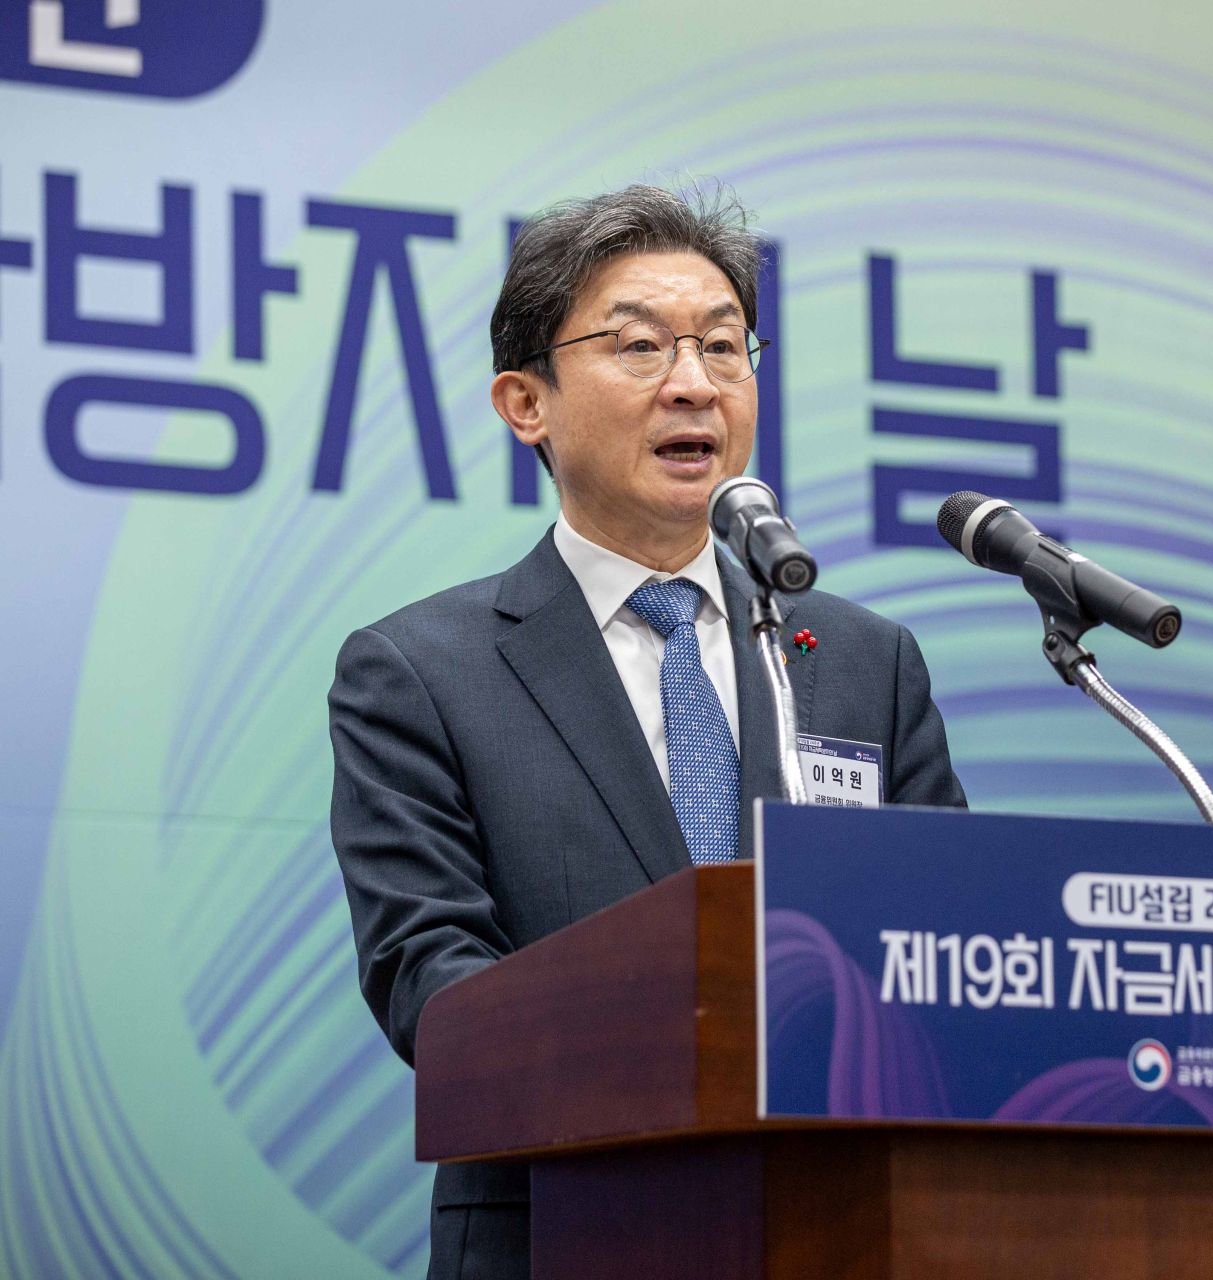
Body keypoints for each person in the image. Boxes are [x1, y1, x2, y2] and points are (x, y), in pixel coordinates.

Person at [328, 183, 967, 1280]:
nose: (694, 383)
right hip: (563, 1230)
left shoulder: (866, 662)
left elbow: (947, 945)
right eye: (639, 346)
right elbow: (430, 983)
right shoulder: (420, 673)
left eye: (723, 346)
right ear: (525, 402)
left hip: (847, 1227)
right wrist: (688, 1037)